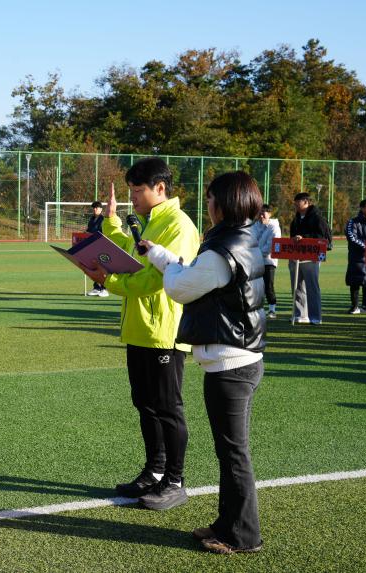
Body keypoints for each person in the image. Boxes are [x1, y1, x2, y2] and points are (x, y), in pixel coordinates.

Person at [143, 171, 266, 554]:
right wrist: (163, 257)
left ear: (225, 203)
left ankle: (243, 536)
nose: (207, 205)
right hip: (236, 360)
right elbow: (191, 276)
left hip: (232, 365)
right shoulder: (240, 239)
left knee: (233, 453)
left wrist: (167, 264)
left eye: (211, 198)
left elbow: (181, 287)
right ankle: (226, 524)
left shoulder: (221, 250)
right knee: (228, 452)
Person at [81, 158, 199, 510]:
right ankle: (154, 471)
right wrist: (113, 220)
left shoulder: (178, 225)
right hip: (138, 329)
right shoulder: (148, 221)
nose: (133, 197)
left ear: (159, 188)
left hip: (164, 330)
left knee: (168, 407)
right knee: (146, 405)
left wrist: (108, 281)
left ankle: (175, 482)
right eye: (130, 191)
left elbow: (155, 279)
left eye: (137, 191)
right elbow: (129, 256)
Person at [289, 192, 332, 325]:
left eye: (298, 202)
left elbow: (322, 236)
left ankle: (315, 317)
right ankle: (300, 315)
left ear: (306, 202)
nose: (296, 204)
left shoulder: (317, 217)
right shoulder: (296, 218)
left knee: (312, 287)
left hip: (311, 257)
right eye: (295, 202)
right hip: (296, 256)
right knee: (297, 286)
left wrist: (303, 237)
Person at [252, 204, 280, 318]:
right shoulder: (254, 226)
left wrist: (256, 253)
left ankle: (272, 309)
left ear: (270, 214)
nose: (262, 215)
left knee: (268, 286)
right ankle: (258, 309)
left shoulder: (274, 227)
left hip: (269, 261)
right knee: (257, 287)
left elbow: (271, 246)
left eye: (265, 212)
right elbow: (251, 241)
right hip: (255, 261)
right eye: (260, 212)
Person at [85, 200, 108, 297]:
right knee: (92, 266)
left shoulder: (103, 219)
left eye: (97, 208)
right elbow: (89, 230)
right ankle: (96, 288)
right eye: (93, 208)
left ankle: (104, 289)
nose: (95, 209)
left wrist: (91, 234)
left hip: (101, 245)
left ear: (101, 209)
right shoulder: (92, 219)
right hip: (91, 245)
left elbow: (102, 233)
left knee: (102, 267)